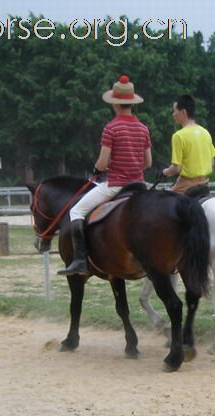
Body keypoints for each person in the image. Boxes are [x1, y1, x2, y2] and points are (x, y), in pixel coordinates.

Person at [58, 75, 152, 276]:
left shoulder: (111, 128)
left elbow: (102, 162)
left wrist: (98, 169)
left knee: (76, 211)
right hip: (140, 185)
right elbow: (148, 163)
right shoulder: (143, 129)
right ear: (131, 103)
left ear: (115, 104)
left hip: (116, 184)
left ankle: (80, 260)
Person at [162, 94, 215, 194]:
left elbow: (176, 168)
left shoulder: (178, 136)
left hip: (185, 187)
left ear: (183, 112)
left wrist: (164, 172)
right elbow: (212, 163)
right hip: (204, 185)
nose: (173, 114)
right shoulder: (205, 132)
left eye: (174, 111)